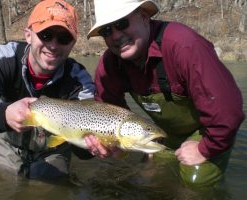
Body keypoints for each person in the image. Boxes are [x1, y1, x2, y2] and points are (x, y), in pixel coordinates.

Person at [85, 0, 245, 189]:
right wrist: (107, 143)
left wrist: (205, 149)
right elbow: (105, 111)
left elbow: (228, 112)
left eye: (121, 24)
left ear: (144, 17)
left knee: (195, 181)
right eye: (106, 31)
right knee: (146, 182)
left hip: (208, 132)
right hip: (162, 133)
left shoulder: (184, 46)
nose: (116, 35)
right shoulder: (111, 64)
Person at [0, 0, 95, 181]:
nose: (53, 45)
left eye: (63, 38)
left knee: (49, 186)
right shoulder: (1, 58)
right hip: (10, 145)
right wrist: (5, 114)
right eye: (46, 35)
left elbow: (84, 153)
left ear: (73, 43)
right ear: (28, 35)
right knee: (11, 184)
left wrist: (95, 146)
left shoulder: (80, 81)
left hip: (53, 149)